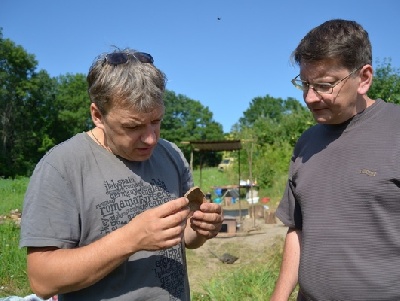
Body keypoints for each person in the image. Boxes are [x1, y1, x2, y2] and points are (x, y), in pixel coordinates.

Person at [19, 48, 223, 301]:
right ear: (97, 115)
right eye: (132, 126)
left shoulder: (171, 154)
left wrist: (200, 229)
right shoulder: (61, 167)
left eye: (156, 121)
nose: (150, 138)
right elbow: (42, 280)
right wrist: (131, 239)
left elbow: (185, 239)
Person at [271, 19, 400, 301]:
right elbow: (298, 230)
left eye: (324, 85)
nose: (309, 97)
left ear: (364, 78)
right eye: (304, 84)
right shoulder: (306, 143)